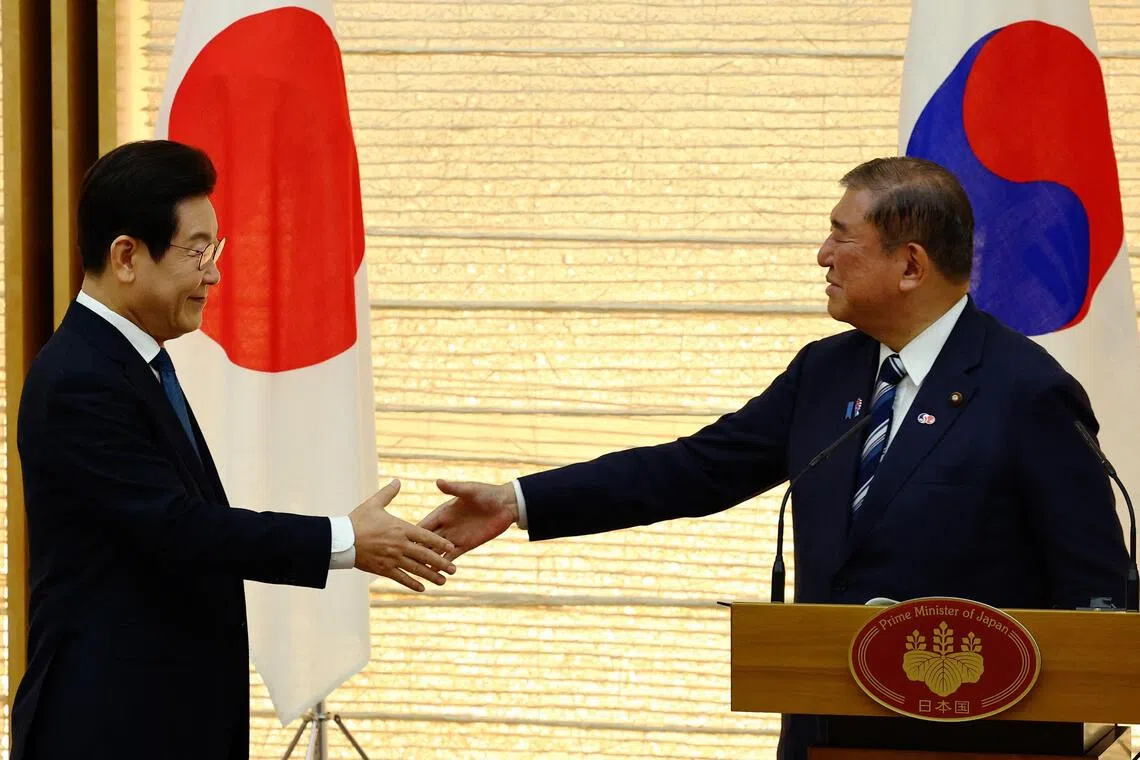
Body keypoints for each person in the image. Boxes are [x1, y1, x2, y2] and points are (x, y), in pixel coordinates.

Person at [419, 157, 1131, 760]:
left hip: (976, 742)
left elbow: (1099, 591)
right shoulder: (825, 373)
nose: (822, 255)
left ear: (910, 263)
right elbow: (693, 469)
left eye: (840, 236)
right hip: (825, 731)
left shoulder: (1023, 389)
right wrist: (520, 501)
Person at [11, 140, 458, 760]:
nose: (214, 273)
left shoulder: (135, 362)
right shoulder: (79, 380)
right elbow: (178, 528)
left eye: (213, 250)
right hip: (112, 723)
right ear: (126, 256)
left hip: (166, 716)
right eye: (198, 251)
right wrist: (344, 540)